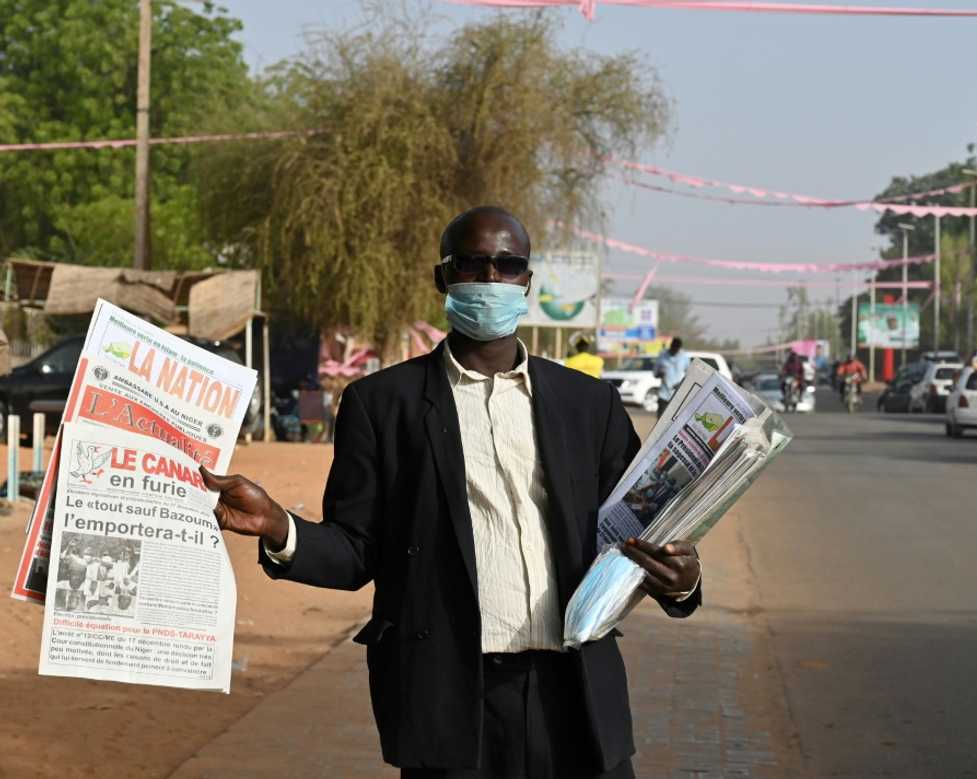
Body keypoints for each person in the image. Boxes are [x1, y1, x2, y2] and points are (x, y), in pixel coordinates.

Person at [199, 206, 701, 779]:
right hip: (452, 698)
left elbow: (638, 531)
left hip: (578, 697)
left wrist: (682, 583)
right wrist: (279, 529)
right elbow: (358, 549)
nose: (490, 280)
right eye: (472, 264)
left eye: (507, 265)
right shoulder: (383, 405)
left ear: (526, 282)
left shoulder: (589, 405)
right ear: (443, 278)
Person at [653, 337, 689, 418]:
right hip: (664, 395)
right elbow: (655, 373)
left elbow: (689, 374)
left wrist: (680, 384)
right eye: (673, 348)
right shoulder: (662, 355)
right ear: (671, 346)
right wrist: (660, 374)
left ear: (679, 348)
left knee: (673, 422)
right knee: (660, 421)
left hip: (678, 395)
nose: (674, 351)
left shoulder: (684, 357)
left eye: (676, 349)